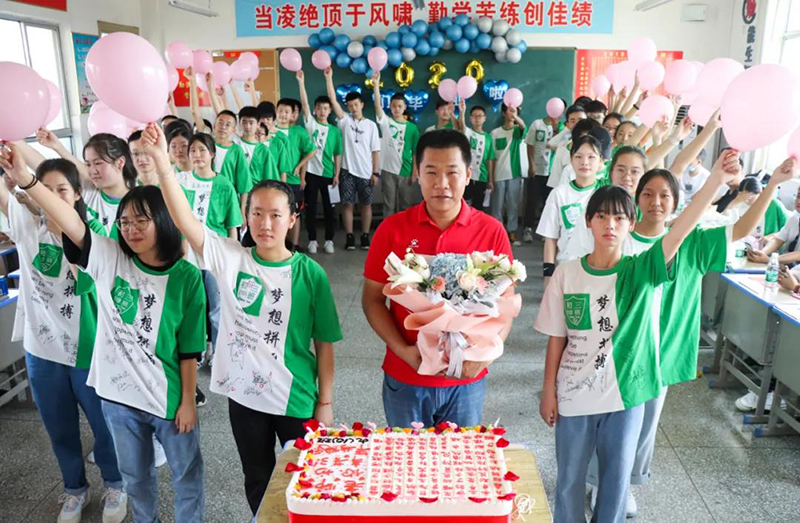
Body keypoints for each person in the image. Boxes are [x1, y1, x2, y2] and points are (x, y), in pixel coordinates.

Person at [2, 143, 206, 523]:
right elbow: (72, 223)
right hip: (119, 399)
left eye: (141, 221)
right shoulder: (110, 257)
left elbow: (190, 346)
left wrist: (188, 401)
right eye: (124, 222)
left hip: (167, 397)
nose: (131, 230)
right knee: (136, 479)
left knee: (186, 476)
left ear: (162, 222)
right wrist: (27, 181)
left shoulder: (186, 276)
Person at [145, 122, 340, 516]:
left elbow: (324, 344)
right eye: (257, 213)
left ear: (292, 218)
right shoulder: (232, 258)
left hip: (296, 395)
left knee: (306, 476)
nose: (265, 224)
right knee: (257, 476)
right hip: (245, 396)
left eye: (275, 215)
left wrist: (325, 402)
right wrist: (162, 163)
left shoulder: (310, 274)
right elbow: (185, 221)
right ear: (246, 215)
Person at [535, 151, 741, 523]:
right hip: (574, 392)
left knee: (615, 481)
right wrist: (548, 390)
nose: (609, 225)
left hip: (626, 394)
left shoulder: (643, 269)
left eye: (619, 218)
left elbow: (679, 232)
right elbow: (556, 338)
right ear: (588, 221)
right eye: (601, 216)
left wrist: (716, 180)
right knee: (568, 480)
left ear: (631, 223)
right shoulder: (567, 274)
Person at [585, 159, 796, 516]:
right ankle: (597, 480)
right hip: (620, 348)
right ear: (636, 199)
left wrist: (773, 183)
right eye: (648, 194)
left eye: (665, 195)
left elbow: (741, 229)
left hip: (663, 348)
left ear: (676, 201)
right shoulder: (620, 238)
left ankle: (628, 482)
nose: (656, 202)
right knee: (605, 417)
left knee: (646, 423)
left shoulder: (692, 243)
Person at [0, 154, 127, 523]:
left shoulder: (93, 233)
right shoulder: (26, 223)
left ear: (76, 195)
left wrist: (59, 227)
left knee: (103, 425)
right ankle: (74, 489)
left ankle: (116, 483)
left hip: (88, 348)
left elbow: (86, 275)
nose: (52, 198)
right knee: (59, 427)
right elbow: (9, 197)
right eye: (45, 190)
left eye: (61, 191)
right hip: (41, 349)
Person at [362, 129, 514, 427]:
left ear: (468, 175)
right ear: (417, 174)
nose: (441, 183)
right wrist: (403, 351)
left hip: (466, 380)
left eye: (452, 173)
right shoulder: (392, 230)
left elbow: (505, 307)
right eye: (431, 172)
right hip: (407, 374)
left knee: (460, 456)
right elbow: (372, 300)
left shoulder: (491, 231)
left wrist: (484, 358)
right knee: (406, 455)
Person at [37, 129, 137, 239]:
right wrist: (56, 146)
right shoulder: (87, 192)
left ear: (120, 163)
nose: (92, 171)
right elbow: (44, 168)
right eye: (88, 164)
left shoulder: (139, 203)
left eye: (98, 163)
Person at [324, 67, 381, 251]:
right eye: (350, 105)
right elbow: (332, 100)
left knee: (366, 204)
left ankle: (365, 236)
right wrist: (329, 78)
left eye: (356, 104)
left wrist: (375, 173)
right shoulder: (345, 121)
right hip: (347, 171)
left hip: (366, 172)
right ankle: (349, 236)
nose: (353, 108)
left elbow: (375, 151)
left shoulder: (371, 125)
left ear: (362, 105)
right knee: (347, 204)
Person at [536, 135, 603, 286]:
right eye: (578, 156)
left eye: (591, 157)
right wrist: (548, 276)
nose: (585, 162)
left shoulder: (606, 193)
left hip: (600, 270)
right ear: (571, 160)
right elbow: (550, 238)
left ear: (601, 162)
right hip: (567, 269)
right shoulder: (559, 194)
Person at [296, 70, 343, 254]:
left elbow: (338, 154)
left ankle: (329, 240)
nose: (322, 111)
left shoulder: (335, 131)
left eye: (325, 108)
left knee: (330, 208)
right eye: (319, 108)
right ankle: (313, 240)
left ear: (330, 111)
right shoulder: (311, 124)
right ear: (315, 109)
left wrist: (337, 174)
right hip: (310, 174)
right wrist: (301, 82)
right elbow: (304, 104)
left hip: (329, 175)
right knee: (311, 208)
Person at [372, 71, 421, 217]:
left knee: (405, 206)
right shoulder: (386, 122)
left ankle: (405, 231)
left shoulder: (412, 128)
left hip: (406, 171)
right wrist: (376, 85)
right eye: (394, 106)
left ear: (405, 107)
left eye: (400, 106)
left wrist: (415, 171)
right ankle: (388, 230)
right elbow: (377, 106)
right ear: (390, 106)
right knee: (389, 206)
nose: (397, 109)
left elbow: (416, 152)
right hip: (388, 171)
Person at [273, 98, 317, 251]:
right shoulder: (271, 132)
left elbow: (312, 150)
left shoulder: (299, 132)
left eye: (287, 112)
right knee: (277, 213)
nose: (283, 114)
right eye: (280, 111)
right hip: (275, 180)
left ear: (292, 114)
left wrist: (299, 166)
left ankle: (294, 245)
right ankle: (281, 245)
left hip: (293, 181)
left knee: (295, 213)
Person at [490, 103, 527, 246]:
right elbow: (491, 157)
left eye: (515, 111)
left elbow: (523, 126)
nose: (512, 114)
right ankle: (497, 233)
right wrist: (490, 178)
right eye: (509, 111)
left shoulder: (517, 131)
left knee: (513, 205)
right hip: (498, 174)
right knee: (497, 205)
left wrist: (515, 116)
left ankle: (511, 231)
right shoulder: (495, 133)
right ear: (503, 113)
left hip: (514, 174)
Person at [523, 107, 561, 241]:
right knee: (532, 201)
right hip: (537, 170)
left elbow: (558, 147)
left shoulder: (562, 128)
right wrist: (531, 164)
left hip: (552, 172)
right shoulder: (537, 124)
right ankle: (527, 229)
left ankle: (546, 232)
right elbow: (530, 144)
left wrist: (556, 129)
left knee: (549, 203)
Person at [457, 100, 495, 214]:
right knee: (464, 206)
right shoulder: (467, 132)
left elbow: (489, 159)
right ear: (470, 118)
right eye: (474, 116)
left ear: (484, 118)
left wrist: (490, 180)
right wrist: (462, 111)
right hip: (466, 176)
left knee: (478, 208)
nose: (477, 118)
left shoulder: (488, 137)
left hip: (482, 177)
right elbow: (462, 125)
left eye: (480, 116)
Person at [547, 105, 587, 190]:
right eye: (573, 121)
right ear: (567, 124)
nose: (577, 124)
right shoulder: (562, 149)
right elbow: (555, 182)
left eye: (581, 120)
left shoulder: (595, 148)